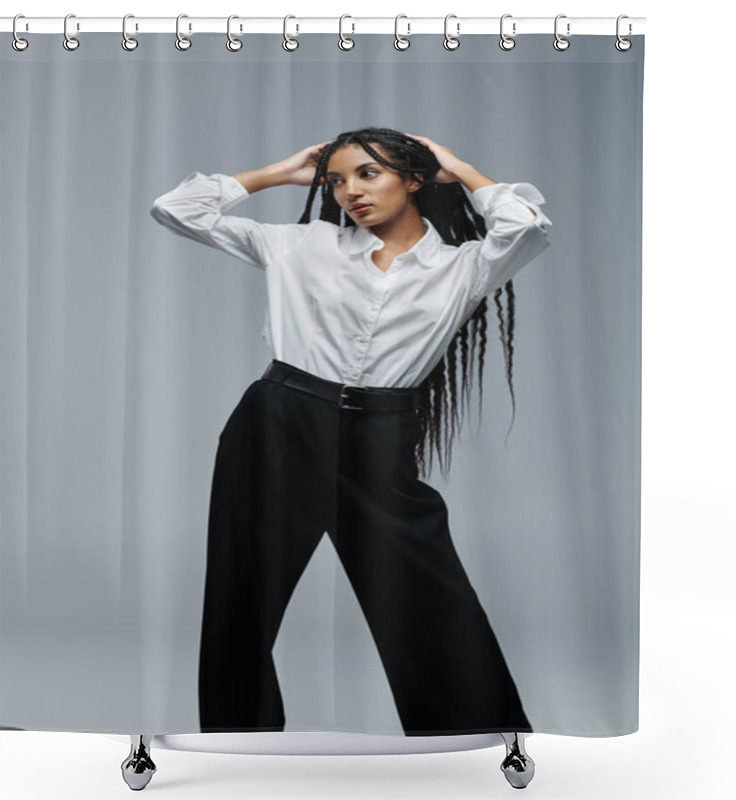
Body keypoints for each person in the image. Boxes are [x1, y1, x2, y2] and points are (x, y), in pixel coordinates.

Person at [150, 127, 552, 736]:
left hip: (382, 433)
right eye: (336, 180)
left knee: (429, 596)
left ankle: (474, 735)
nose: (349, 192)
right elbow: (176, 209)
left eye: (369, 174)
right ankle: (242, 741)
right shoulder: (300, 245)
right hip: (280, 422)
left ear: (413, 179)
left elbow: (526, 226)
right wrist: (280, 172)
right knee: (243, 595)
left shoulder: (462, 268)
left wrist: (460, 166)